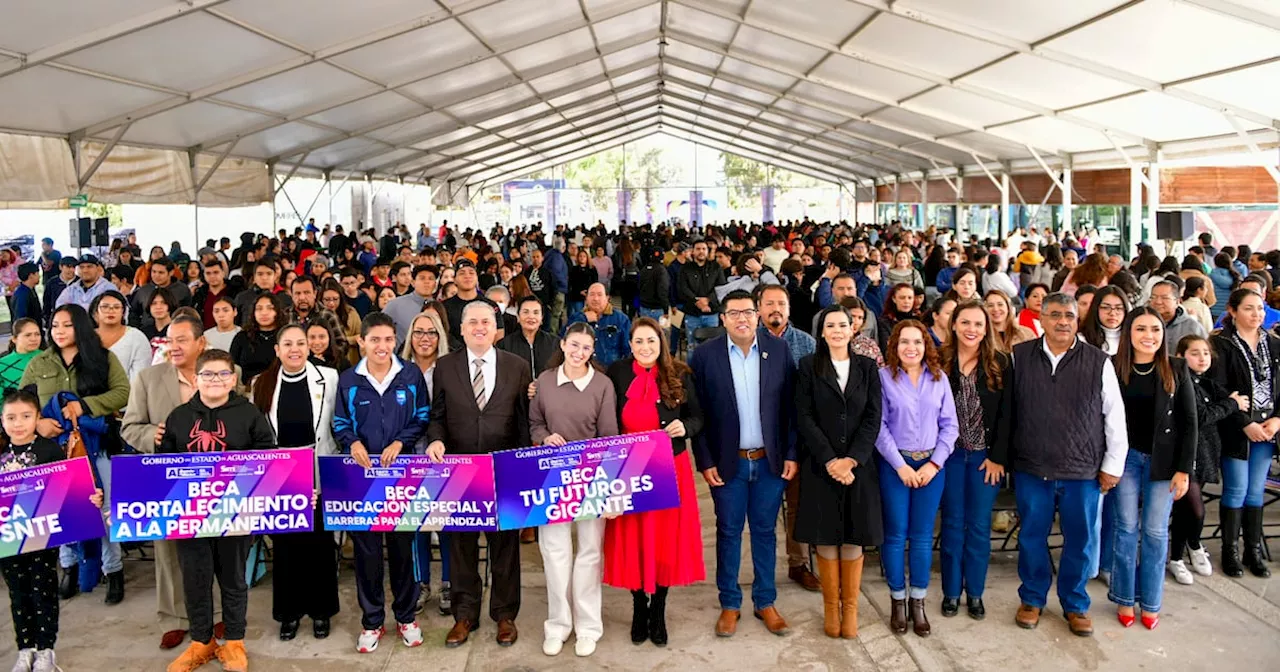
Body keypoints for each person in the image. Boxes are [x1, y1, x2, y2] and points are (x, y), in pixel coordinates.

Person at [1009, 292, 1127, 637]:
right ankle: (1031, 598)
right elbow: (1008, 413)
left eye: (1070, 316)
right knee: (1032, 537)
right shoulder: (1019, 357)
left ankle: (1075, 603)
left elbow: (1114, 417)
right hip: (1033, 467)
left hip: (1082, 471)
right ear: (1041, 319)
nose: (1063, 322)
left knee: (1080, 540)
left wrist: (1112, 465)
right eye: (1056, 315)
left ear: (1077, 320)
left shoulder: (1098, 361)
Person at [158, 349, 275, 672]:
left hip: (235, 515)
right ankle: (201, 642)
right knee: (195, 581)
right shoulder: (179, 417)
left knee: (233, 579)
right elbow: (161, 467)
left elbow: (267, 457)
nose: (215, 380)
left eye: (223, 374)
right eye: (208, 374)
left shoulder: (249, 414)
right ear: (196, 379)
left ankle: (234, 641)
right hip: (189, 517)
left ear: (233, 379)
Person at [121, 315, 234, 649]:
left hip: (216, 478)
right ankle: (175, 617)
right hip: (167, 482)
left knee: (215, 548)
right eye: (170, 340)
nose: (174, 347)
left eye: (182, 340)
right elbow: (128, 427)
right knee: (170, 550)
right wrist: (149, 435)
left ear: (201, 342)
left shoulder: (226, 372)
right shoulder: (148, 378)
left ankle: (216, 615)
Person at [688, 290, 796, 638]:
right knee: (729, 533)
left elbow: (792, 410)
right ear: (723, 319)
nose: (742, 319)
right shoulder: (705, 356)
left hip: (769, 463)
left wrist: (792, 454)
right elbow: (698, 414)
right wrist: (704, 460)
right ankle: (730, 603)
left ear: (758, 315)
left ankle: (765, 600)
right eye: (734, 313)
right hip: (728, 464)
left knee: (765, 532)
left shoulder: (778, 351)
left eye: (748, 312)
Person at [424, 301, 532, 648]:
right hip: (459, 473)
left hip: (503, 470)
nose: (480, 327)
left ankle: (504, 616)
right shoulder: (444, 366)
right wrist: (436, 439)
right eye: (473, 322)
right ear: (462, 328)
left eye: (486, 321)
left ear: (496, 328)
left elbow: (523, 420)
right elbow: (437, 414)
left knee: (505, 548)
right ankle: (464, 615)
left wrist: (523, 467)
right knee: (461, 547)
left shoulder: (517, 366)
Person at [332, 312, 431, 653]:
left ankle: (406, 616)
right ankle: (371, 621)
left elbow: (422, 416)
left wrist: (400, 443)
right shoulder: (349, 380)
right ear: (362, 342)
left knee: (403, 550)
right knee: (367, 553)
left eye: (389, 340)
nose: (382, 346)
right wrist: (352, 443)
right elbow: (340, 421)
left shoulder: (410, 374)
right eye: (375, 340)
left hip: (401, 475)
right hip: (362, 480)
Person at [603, 317, 704, 648]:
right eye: (639, 342)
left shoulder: (679, 372)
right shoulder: (616, 373)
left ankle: (658, 608)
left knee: (663, 540)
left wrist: (684, 428)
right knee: (633, 536)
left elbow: (698, 417)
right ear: (630, 345)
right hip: (628, 469)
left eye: (651, 341)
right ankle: (638, 607)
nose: (645, 348)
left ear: (661, 343)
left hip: (669, 469)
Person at [20, 304, 130, 606]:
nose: (59, 331)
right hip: (55, 451)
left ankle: (113, 570)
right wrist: (38, 421)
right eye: (55, 325)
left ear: (79, 327)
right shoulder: (39, 362)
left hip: (97, 445)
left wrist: (86, 405)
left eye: (66, 325)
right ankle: (68, 566)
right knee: (61, 510)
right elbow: (22, 401)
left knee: (104, 509)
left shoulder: (103, 358)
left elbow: (123, 393)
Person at [527, 323, 619, 658]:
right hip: (550, 477)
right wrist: (543, 437)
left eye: (586, 348)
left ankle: (588, 626)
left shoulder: (603, 385)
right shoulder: (545, 383)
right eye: (574, 345)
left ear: (592, 351)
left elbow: (609, 434)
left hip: (591, 478)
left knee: (590, 552)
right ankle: (558, 624)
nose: (579, 353)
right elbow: (534, 423)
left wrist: (606, 484)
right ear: (563, 344)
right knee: (554, 553)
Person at [793, 305, 882, 639]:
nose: (837, 330)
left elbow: (874, 417)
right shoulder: (807, 367)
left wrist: (852, 459)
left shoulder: (868, 368)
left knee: (853, 535)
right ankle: (831, 608)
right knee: (826, 534)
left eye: (842, 324)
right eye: (830, 325)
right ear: (822, 331)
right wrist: (831, 459)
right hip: (821, 466)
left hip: (858, 468)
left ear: (853, 329)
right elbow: (803, 417)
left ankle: (851, 609)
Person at [0, 390, 104, 672]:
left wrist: (91, 497)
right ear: (2, 420)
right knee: (18, 595)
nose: (18, 423)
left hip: (43, 538)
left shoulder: (49, 450)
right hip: (9, 542)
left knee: (43, 591)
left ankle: (46, 650)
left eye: (25, 416)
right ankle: (25, 649)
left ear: (37, 418)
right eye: (11, 417)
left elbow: (70, 489)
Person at [1107, 307, 1195, 630]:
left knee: (1156, 533)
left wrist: (1184, 469)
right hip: (1125, 459)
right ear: (1129, 333)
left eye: (1156, 330)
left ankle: (1152, 602)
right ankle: (1124, 598)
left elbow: (1190, 422)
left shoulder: (1176, 368)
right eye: (1141, 329)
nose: (1149, 336)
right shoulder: (1114, 368)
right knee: (1126, 529)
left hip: (1164, 464)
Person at [250, 325, 340, 641]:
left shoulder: (328, 378)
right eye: (287, 344)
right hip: (281, 476)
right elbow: (259, 433)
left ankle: (321, 611)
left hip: (318, 469)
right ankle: (288, 613)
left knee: (319, 543)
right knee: (286, 546)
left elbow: (335, 425)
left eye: (300, 343)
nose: (295, 349)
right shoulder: (261, 383)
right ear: (277, 349)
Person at [876, 320, 958, 637]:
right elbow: (879, 427)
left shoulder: (939, 379)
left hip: (931, 468)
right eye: (905, 342)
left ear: (927, 346)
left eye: (918, 342)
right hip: (896, 466)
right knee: (896, 534)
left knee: (922, 536)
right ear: (895, 346)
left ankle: (918, 601)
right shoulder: (884, 378)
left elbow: (950, 426)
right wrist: (900, 465)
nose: (912, 348)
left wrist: (934, 464)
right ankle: (897, 599)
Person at [938, 300, 1011, 621]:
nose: (971, 329)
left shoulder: (1001, 363)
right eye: (965, 322)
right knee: (953, 524)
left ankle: (976, 593)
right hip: (949, 456)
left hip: (985, 458)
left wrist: (998, 458)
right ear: (954, 325)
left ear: (987, 328)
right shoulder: (939, 361)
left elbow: (1010, 415)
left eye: (978, 324)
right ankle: (951, 592)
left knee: (980, 527)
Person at [1208, 288, 1278, 579]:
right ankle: (1230, 552)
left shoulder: (1274, 344)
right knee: (1236, 488)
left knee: (1255, 490)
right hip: (1237, 429)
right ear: (1233, 311)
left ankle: (1253, 550)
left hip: (1268, 429)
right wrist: (1244, 423)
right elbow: (1217, 389)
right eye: (1249, 308)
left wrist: (1277, 420)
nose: (1256, 314)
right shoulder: (1221, 344)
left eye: (1260, 308)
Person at [1169, 335, 1246, 585]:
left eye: (1205, 352)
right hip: (1185, 455)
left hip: (1206, 453)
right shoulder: (1182, 381)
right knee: (1194, 508)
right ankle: (1189, 545)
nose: (1202, 357)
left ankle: (1181, 552)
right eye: (1194, 353)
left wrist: (1233, 403)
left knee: (1186, 510)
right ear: (1180, 357)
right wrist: (1231, 405)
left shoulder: (1210, 383)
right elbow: (1202, 416)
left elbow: (1233, 402)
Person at [399, 311, 453, 614]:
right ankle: (420, 583)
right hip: (408, 453)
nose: (424, 338)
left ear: (440, 337)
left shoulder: (449, 368)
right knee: (414, 522)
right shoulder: (399, 370)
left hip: (442, 453)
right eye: (418, 332)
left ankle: (448, 582)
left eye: (431, 333)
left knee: (444, 521)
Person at [91, 290, 152, 381]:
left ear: (123, 312)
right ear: (96, 312)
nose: (111, 310)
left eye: (116, 307)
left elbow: (140, 376)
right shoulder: (86, 336)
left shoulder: (137, 337)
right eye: (105, 307)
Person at [566, 283, 631, 367]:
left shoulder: (621, 319)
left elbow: (627, 349)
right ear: (586, 298)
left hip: (610, 371)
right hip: (582, 369)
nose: (595, 299)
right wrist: (583, 319)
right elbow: (564, 341)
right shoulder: (576, 317)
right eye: (592, 294)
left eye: (600, 295)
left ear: (607, 298)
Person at [678, 240, 727, 348]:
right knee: (692, 346)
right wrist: (696, 301)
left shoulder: (715, 267)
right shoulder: (685, 268)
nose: (701, 251)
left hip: (712, 314)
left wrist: (707, 300)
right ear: (693, 251)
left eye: (704, 249)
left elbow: (721, 288)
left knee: (712, 347)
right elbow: (682, 289)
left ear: (707, 251)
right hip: (692, 314)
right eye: (698, 249)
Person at [497, 296, 557, 382]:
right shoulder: (504, 345)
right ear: (518, 317)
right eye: (526, 312)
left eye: (536, 313)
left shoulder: (555, 343)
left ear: (542, 318)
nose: (531, 316)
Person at [230, 293, 284, 384]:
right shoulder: (242, 337)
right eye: (259, 309)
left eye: (269, 308)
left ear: (277, 311)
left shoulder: (285, 336)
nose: (264, 313)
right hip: (246, 389)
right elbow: (231, 365)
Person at [383, 265, 440, 344]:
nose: (427, 282)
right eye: (422, 278)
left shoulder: (440, 308)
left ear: (435, 284)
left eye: (431, 279)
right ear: (413, 282)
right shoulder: (395, 305)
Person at [1148, 278, 1207, 352]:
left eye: (1164, 298)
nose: (1158, 302)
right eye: (1153, 297)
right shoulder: (1141, 322)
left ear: (1177, 302)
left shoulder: (1192, 327)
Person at [1079, 286, 1129, 356]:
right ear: (1095, 309)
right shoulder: (1081, 340)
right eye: (1106, 307)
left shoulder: (1132, 339)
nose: (1112, 313)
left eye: (1118, 308)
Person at [0, 319, 42, 395]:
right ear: (14, 339)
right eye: (28, 335)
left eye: (37, 334)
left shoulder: (49, 358)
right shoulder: (2, 364)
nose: (34, 339)